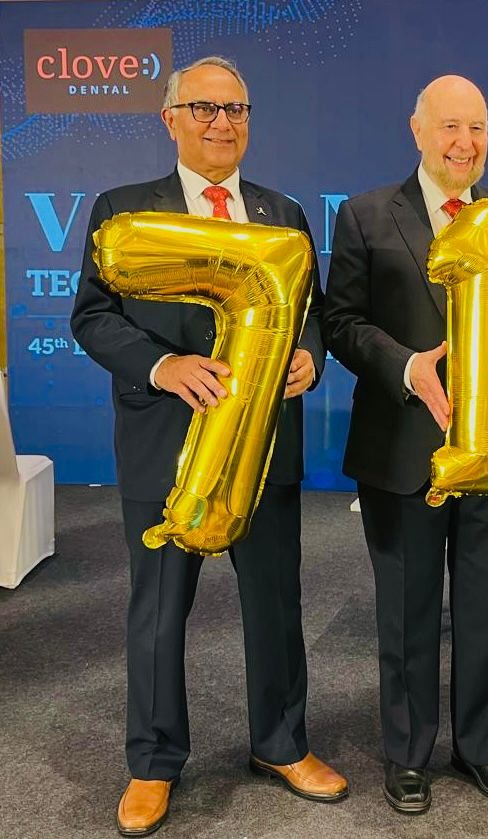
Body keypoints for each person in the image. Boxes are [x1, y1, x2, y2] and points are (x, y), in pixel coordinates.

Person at [70, 56, 346, 837]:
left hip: (263, 449)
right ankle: (153, 763)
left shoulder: (283, 213)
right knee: (159, 610)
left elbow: (313, 311)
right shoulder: (124, 209)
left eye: (236, 109)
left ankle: (282, 743)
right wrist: (164, 366)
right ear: (170, 119)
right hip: (166, 443)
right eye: (203, 108)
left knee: (276, 602)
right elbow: (92, 316)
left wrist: (310, 355)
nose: (222, 123)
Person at [324, 75, 488, 814]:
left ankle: (485, 747)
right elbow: (341, 322)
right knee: (407, 610)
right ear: (418, 131)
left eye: (478, 128)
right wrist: (407, 367)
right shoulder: (367, 215)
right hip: (403, 447)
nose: (465, 143)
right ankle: (407, 754)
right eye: (451, 127)